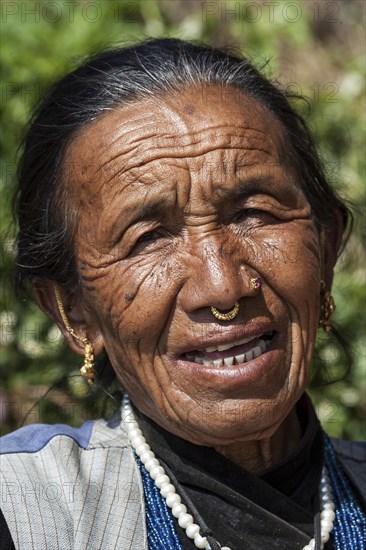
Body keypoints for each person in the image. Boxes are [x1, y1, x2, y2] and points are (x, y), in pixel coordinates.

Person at [0, 38, 365, 550]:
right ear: (73, 313)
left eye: (253, 213)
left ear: (325, 249)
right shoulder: (24, 510)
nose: (223, 287)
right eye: (149, 238)